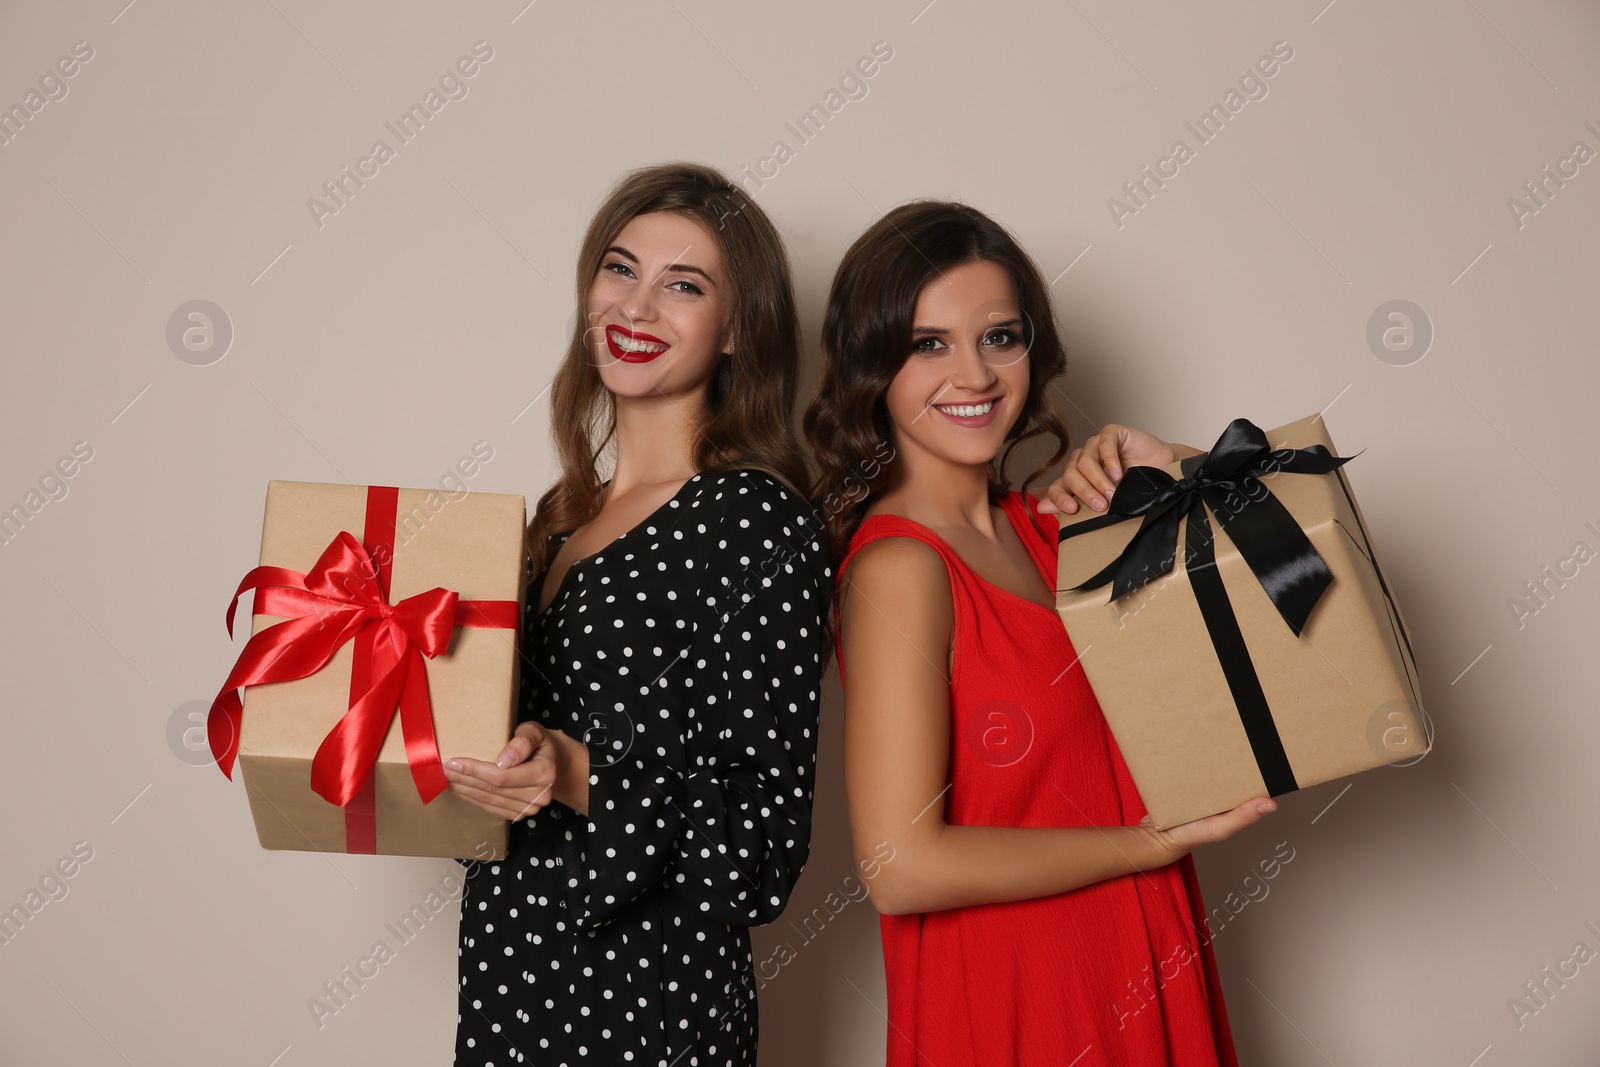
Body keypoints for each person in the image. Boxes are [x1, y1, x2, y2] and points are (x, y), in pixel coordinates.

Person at [805, 199, 1276, 1066]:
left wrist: (1173, 464)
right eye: (928, 343)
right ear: (873, 365)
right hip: (1022, 996)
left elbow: (1295, 601)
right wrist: (1150, 841)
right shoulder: (900, 573)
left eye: (999, 336)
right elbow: (899, 865)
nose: (975, 375)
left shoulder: (1056, 530)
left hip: (1146, 955)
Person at [443, 162, 832, 1067]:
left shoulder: (756, 522)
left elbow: (765, 849)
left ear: (738, 327)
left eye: (683, 286)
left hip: (649, 1008)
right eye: (620, 270)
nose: (637, 306)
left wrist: (574, 771)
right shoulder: (556, 517)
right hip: (512, 982)